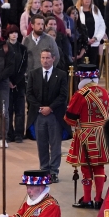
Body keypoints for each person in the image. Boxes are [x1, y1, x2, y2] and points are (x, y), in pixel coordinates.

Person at [65, 62, 109, 208]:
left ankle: (87, 199)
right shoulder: (104, 92)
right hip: (102, 133)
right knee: (99, 167)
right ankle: (99, 199)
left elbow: (70, 118)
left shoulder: (80, 94)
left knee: (86, 168)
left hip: (85, 134)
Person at [26, 49, 67, 181]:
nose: (45, 60)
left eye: (48, 58)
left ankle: (54, 171)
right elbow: (29, 94)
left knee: (55, 145)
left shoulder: (61, 74)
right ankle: (44, 170)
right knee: (42, 144)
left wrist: (50, 108)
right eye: (43, 58)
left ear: (53, 59)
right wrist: (40, 108)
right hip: (39, 115)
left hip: (55, 115)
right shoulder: (33, 74)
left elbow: (63, 95)